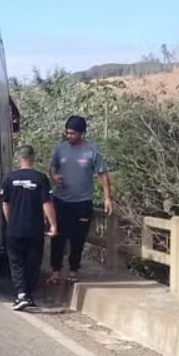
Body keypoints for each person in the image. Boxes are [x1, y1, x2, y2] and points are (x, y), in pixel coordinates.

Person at [47, 115, 113, 285]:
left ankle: (74, 270)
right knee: (58, 237)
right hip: (61, 200)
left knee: (78, 238)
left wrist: (107, 198)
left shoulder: (92, 151)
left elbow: (102, 174)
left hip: (82, 202)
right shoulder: (60, 149)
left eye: (73, 133)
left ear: (82, 133)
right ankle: (56, 271)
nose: (69, 136)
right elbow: (52, 167)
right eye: (67, 133)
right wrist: (54, 176)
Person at [2, 145, 58, 311]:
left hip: (15, 228)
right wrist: (53, 225)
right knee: (33, 263)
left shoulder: (9, 178)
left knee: (16, 262)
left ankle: (21, 295)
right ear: (33, 158)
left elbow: (6, 204)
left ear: (19, 159)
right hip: (35, 228)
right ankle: (28, 295)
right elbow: (47, 203)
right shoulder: (40, 178)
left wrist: (10, 221)